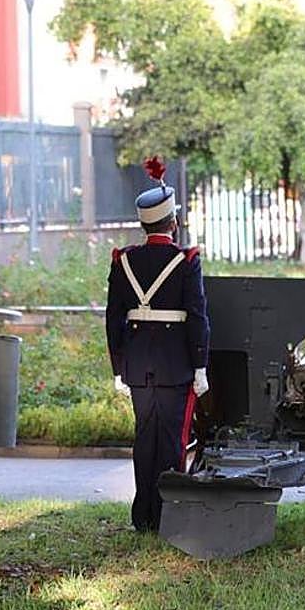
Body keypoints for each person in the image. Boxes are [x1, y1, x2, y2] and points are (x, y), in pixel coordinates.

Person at [106, 156, 210, 533]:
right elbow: (197, 316)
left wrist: (118, 367)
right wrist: (200, 366)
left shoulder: (125, 260)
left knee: (144, 439)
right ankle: (168, 516)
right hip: (176, 365)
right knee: (172, 443)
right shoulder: (186, 260)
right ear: (173, 222)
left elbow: (113, 317)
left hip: (138, 367)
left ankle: (143, 515)